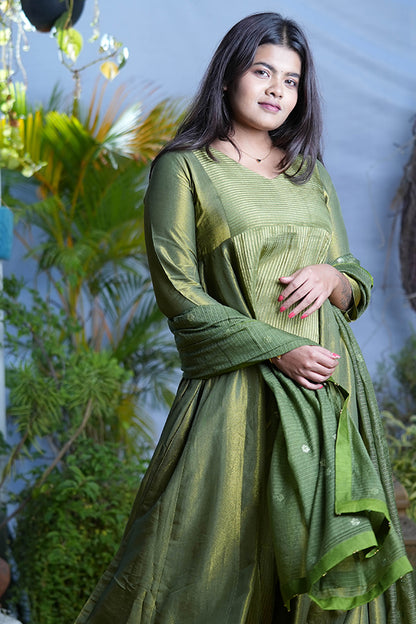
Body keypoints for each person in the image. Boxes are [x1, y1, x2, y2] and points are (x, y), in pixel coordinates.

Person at [75, 12, 416, 623]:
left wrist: (333, 277)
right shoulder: (184, 169)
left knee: (328, 580)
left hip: (328, 393)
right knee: (202, 571)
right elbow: (180, 295)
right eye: (263, 72)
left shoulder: (310, 174)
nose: (277, 90)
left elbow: (354, 280)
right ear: (230, 75)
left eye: (291, 80)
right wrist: (279, 349)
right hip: (236, 400)